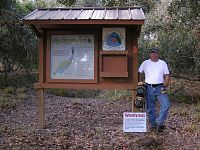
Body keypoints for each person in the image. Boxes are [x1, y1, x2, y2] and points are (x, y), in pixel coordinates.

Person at [138, 48, 170, 133]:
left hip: (160, 87)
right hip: (149, 87)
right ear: (150, 54)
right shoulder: (145, 63)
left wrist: (165, 84)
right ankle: (153, 125)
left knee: (166, 105)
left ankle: (159, 123)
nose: (154, 55)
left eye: (155, 53)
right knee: (150, 108)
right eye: (152, 53)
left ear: (158, 54)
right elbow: (140, 72)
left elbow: (167, 75)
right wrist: (141, 81)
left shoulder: (162, 63)